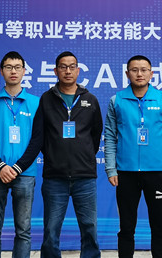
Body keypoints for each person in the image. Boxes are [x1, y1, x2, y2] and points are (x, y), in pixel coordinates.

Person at [104, 55, 162, 258]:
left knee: (159, 227)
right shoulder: (117, 101)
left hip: (156, 172)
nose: (139, 74)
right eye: (134, 70)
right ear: (127, 73)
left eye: (144, 70)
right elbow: (110, 137)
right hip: (125, 172)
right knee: (126, 227)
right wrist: (111, 169)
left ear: (151, 73)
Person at [39, 51, 103, 258]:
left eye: (72, 66)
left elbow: (96, 134)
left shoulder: (90, 100)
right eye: (63, 67)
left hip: (84, 176)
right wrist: (54, 155)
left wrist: (83, 155)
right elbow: (41, 135)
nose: (68, 71)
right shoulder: (46, 99)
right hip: (54, 177)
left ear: (78, 70)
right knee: (51, 229)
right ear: (55, 71)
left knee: (89, 227)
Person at [0, 51, 43, 258]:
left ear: (24, 71)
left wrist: (16, 168)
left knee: (23, 231)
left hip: (24, 174)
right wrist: (0, 166)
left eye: (17, 67)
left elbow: (37, 140)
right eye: (8, 67)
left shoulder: (35, 103)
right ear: (1, 71)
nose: (13, 71)